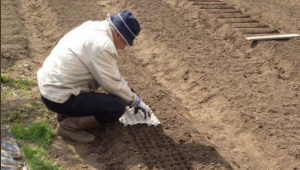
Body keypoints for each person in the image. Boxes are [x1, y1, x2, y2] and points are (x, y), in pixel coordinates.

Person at [37, 10, 153, 143]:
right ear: (117, 34)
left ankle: (66, 112)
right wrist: (135, 101)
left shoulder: (92, 26)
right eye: (126, 42)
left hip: (51, 87)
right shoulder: (103, 45)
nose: (124, 48)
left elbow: (108, 74)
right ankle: (69, 127)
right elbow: (112, 83)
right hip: (57, 96)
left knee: (101, 88)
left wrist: (126, 89)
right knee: (116, 106)